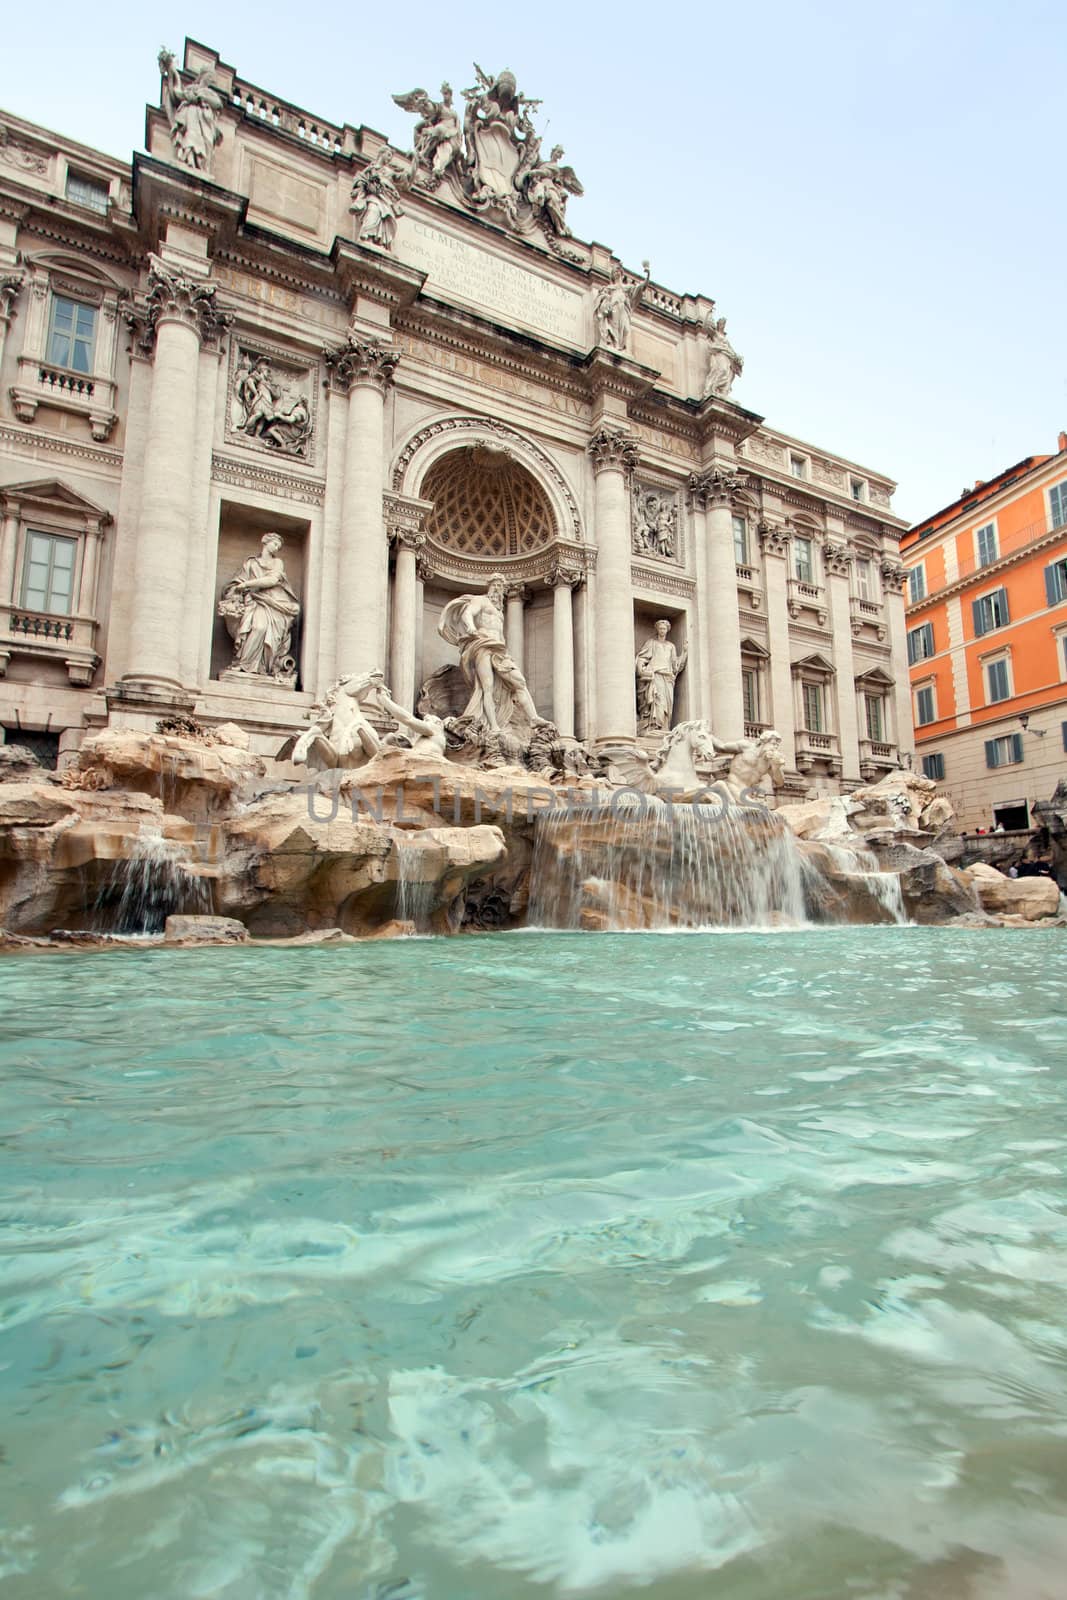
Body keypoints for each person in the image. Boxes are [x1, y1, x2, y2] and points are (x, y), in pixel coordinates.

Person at [438, 574, 547, 736]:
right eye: (495, 585)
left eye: (500, 586)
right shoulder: (481, 601)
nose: (497, 589)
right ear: (489, 586)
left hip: (499, 649)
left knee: (519, 682)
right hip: (482, 644)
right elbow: (467, 613)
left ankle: (533, 718)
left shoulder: (500, 612)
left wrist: (507, 653)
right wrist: (470, 627)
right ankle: (493, 726)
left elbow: (501, 634)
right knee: (486, 687)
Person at [218, 533, 301, 678]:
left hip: (274, 603)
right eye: (275, 544)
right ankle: (243, 664)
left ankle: (263, 668)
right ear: (265, 542)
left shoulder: (278, 563)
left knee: (262, 628)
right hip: (253, 602)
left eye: (279, 546)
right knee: (257, 627)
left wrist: (247, 584)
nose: (276, 548)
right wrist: (236, 589)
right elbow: (236, 583)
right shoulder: (251, 563)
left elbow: (272, 580)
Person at [158, 50, 224, 174]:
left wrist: (201, 98)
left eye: (212, 77)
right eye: (209, 76)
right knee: (191, 140)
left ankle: (200, 166)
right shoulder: (191, 89)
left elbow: (218, 104)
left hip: (204, 123)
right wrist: (172, 72)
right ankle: (190, 162)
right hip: (192, 118)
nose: (210, 79)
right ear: (203, 76)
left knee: (205, 144)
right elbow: (177, 94)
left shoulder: (209, 93)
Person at [635, 620, 686, 734]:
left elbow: (675, 665)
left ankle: (664, 728)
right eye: (660, 628)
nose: (662, 631)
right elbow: (642, 658)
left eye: (664, 629)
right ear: (657, 629)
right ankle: (654, 727)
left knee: (668, 705)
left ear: (667, 630)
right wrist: (642, 671)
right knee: (659, 701)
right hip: (656, 675)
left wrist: (684, 652)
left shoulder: (670, 646)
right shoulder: (651, 643)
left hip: (668, 678)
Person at [594, 261, 650, 351]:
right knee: (614, 328)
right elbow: (601, 299)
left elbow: (641, 287)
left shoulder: (628, 287)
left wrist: (648, 275)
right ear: (612, 275)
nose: (617, 272)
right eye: (615, 271)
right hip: (614, 308)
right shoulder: (609, 288)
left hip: (623, 310)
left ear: (621, 273)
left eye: (618, 270)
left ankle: (620, 347)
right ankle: (614, 345)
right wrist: (608, 302)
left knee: (626, 330)